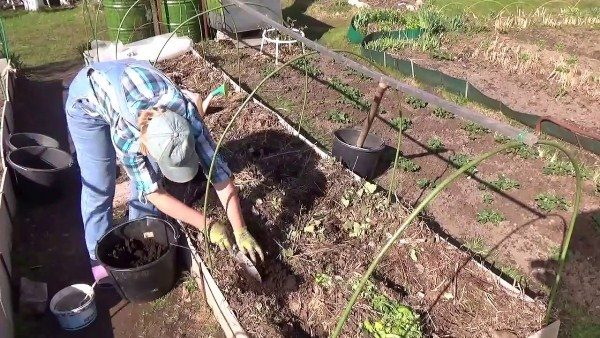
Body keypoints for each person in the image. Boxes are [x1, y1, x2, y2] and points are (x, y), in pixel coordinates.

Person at [65, 59, 263, 283]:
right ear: (145, 142)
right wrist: (207, 225)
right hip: (87, 104)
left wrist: (240, 229)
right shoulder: (126, 137)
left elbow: (219, 175)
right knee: (100, 183)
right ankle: (98, 258)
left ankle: (142, 233)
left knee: (153, 173)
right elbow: (154, 193)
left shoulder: (188, 117)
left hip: (131, 88)